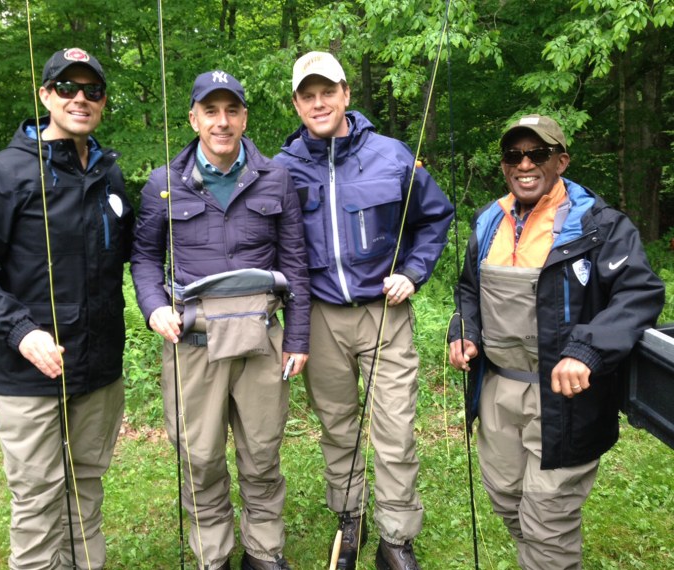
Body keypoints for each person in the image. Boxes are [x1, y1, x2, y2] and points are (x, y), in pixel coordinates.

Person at [448, 114, 665, 569]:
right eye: (514, 155)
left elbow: (639, 293)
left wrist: (588, 349)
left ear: (561, 161)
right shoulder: (489, 219)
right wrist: (462, 331)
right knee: (508, 498)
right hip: (497, 390)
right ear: (505, 164)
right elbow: (469, 289)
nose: (524, 164)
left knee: (548, 515)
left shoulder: (599, 225)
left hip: (565, 398)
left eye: (538, 154)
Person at [0, 48, 133, 569]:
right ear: (45, 94)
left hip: (98, 369)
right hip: (29, 371)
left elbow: (129, 257)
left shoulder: (109, 175)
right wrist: (21, 332)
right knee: (37, 498)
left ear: (102, 101)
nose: (81, 98)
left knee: (87, 489)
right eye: (67, 87)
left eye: (92, 90)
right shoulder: (2, 174)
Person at [274, 51, 454, 570]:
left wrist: (414, 271)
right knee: (338, 426)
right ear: (297, 104)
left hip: (384, 313)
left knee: (395, 429)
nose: (318, 102)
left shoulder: (393, 155)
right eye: (307, 95)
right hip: (322, 318)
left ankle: (396, 538)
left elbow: (435, 217)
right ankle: (349, 519)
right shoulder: (282, 169)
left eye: (327, 91)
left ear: (346, 94)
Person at [130, 70, 309, 570]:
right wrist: (153, 308)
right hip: (193, 342)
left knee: (262, 452)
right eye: (211, 111)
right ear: (193, 118)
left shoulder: (276, 177)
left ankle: (264, 550)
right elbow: (144, 259)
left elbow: (294, 262)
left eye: (232, 110)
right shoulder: (163, 184)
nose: (222, 122)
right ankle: (214, 554)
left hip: (261, 339)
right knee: (199, 457)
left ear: (245, 117)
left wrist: (298, 337)